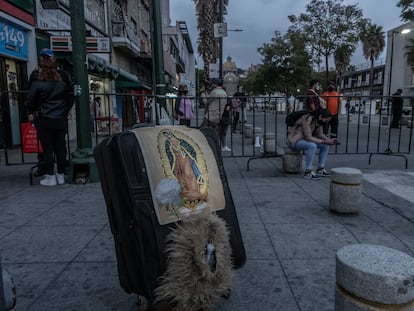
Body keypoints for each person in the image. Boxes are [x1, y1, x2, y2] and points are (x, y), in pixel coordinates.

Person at [24, 53, 73, 186]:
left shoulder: (38, 84)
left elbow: (29, 101)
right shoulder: (62, 84)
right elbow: (70, 97)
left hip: (44, 119)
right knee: (60, 148)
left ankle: (50, 176)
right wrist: (64, 112)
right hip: (60, 119)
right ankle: (61, 175)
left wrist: (32, 112)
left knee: (48, 149)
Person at [287, 108, 338, 180]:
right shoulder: (307, 119)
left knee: (325, 146)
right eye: (326, 120)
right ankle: (308, 172)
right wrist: (324, 141)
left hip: (304, 140)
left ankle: (320, 169)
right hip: (295, 140)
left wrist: (329, 140)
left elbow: (320, 134)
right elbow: (308, 137)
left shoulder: (318, 121)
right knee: (312, 146)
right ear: (320, 116)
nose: (326, 122)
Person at [200, 79, 228, 149]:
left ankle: (204, 147)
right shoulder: (224, 93)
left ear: (215, 84)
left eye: (212, 84)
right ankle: (214, 148)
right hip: (218, 117)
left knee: (202, 132)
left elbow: (206, 102)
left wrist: (203, 94)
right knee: (215, 135)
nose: (211, 85)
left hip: (210, 116)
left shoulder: (215, 92)